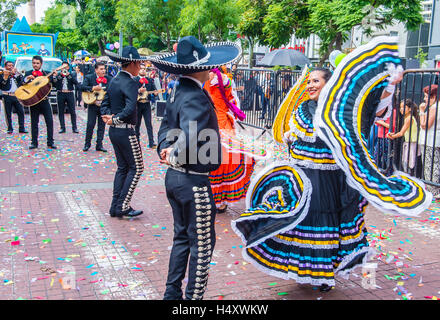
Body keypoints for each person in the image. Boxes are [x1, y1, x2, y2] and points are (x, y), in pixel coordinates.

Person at [231, 39, 430, 293]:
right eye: (309, 81)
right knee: (303, 226)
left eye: (317, 81)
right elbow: (291, 138)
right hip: (303, 180)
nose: (311, 85)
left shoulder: (342, 114)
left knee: (326, 226)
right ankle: (305, 271)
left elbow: (373, 108)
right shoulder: (302, 110)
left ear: (329, 84)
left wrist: (389, 85)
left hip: (330, 182)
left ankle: (324, 275)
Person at [151, 36, 240, 300]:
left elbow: (166, 127)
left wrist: (165, 148)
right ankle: (192, 299)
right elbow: (191, 132)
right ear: (202, 68)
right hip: (193, 180)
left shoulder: (180, 90)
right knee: (202, 244)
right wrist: (175, 151)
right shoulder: (195, 96)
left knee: (182, 238)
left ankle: (172, 294)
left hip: (177, 178)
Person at [100, 46, 147, 218]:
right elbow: (129, 109)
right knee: (137, 167)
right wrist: (115, 119)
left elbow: (104, 103)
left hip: (114, 132)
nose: (141, 66)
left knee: (122, 168)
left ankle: (115, 206)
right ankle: (123, 205)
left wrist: (108, 117)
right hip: (126, 131)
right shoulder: (131, 82)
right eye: (139, 63)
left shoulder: (114, 80)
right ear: (133, 63)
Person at [204, 68, 255, 213]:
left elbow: (232, 100)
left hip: (222, 127)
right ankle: (213, 198)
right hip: (207, 124)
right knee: (210, 163)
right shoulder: (204, 82)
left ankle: (220, 200)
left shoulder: (223, 81)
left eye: (211, 70)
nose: (209, 72)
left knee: (223, 162)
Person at [22, 55, 56, 150]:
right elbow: (22, 83)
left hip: (45, 101)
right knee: (34, 122)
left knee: (49, 121)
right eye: (34, 63)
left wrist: (55, 76)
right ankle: (34, 143)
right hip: (34, 102)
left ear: (41, 64)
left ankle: (50, 142)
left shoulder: (46, 73)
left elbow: (54, 83)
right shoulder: (28, 73)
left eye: (37, 63)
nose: (35, 65)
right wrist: (27, 79)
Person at [81, 62, 112, 152]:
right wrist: (93, 88)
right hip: (93, 104)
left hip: (103, 106)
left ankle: (99, 145)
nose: (103, 71)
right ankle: (87, 144)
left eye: (104, 69)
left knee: (101, 126)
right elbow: (82, 87)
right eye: (101, 69)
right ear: (96, 70)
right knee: (90, 124)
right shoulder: (89, 77)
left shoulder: (109, 79)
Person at [387, 99, 422, 176]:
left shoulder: (409, 118)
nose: (401, 109)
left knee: (409, 164)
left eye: (404, 107)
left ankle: (410, 178)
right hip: (411, 143)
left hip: (411, 143)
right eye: (400, 107)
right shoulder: (409, 117)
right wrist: (393, 135)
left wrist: (391, 136)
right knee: (409, 163)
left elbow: (401, 133)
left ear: (409, 109)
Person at [418, 84, 440, 197]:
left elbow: (424, 125)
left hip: (430, 140)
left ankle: (434, 191)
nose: (425, 99)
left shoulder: (434, 107)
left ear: (434, 96)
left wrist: (421, 111)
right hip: (433, 139)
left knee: (430, 166)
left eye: (427, 97)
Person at [0, 61, 27, 134]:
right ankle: (10, 128)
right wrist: (6, 77)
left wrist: (17, 74)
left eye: (12, 65)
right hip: (7, 95)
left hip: (16, 96)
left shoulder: (15, 75)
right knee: (8, 113)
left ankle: (21, 128)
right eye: (9, 66)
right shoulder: (2, 74)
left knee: (21, 112)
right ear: (5, 67)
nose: (11, 67)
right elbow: (2, 85)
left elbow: (22, 82)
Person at [133, 64, 157, 148]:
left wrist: (155, 93)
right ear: (138, 70)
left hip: (147, 104)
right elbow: (130, 91)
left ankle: (151, 142)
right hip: (138, 104)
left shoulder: (150, 80)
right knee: (137, 124)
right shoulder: (134, 80)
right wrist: (138, 90)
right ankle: (137, 142)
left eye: (144, 69)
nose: (143, 70)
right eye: (141, 69)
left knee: (149, 124)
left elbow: (154, 90)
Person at [52, 61, 79, 133]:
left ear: (68, 68)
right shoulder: (58, 75)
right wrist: (56, 76)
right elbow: (54, 84)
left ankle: (74, 127)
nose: (64, 68)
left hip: (69, 93)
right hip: (61, 93)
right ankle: (62, 127)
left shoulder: (72, 74)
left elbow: (76, 83)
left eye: (66, 67)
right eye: (63, 67)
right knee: (60, 111)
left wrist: (68, 75)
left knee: (72, 111)